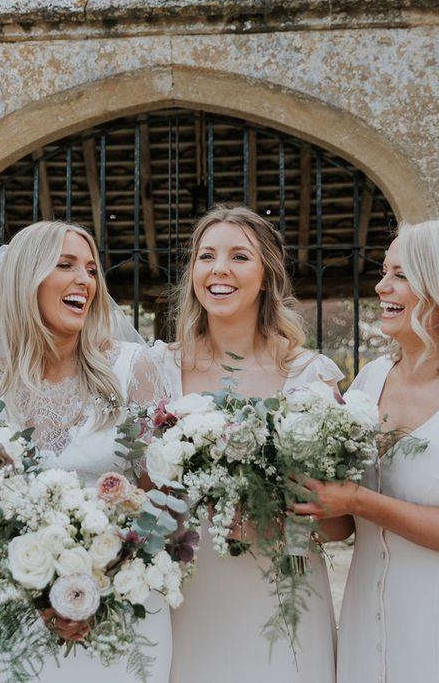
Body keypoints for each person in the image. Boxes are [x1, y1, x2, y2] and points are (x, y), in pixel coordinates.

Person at [0, 220, 171, 682]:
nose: (85, 280)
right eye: (65, 265)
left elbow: (160, 496)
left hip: (126, 613)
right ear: (27, 279)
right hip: (27, 615)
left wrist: (105, 573)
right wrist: (43, 594)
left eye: (91, 268)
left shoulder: (130, 370)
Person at [151, 205, 342, 683]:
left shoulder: (311, 376)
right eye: (206, 256)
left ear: (267, 276)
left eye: (239, 257)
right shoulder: (156, 370)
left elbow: (339, 526)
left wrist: (278, 517)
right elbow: (136, 497)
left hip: (283, 591)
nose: (219, 269)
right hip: (187, 592)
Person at [294, 220, 439, 682]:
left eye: (400, 274)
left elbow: (357, 502)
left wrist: (358, 501)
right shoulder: (369, 381)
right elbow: (338, 528)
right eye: (383, 271)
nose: (381, 285)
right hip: (363, 620)